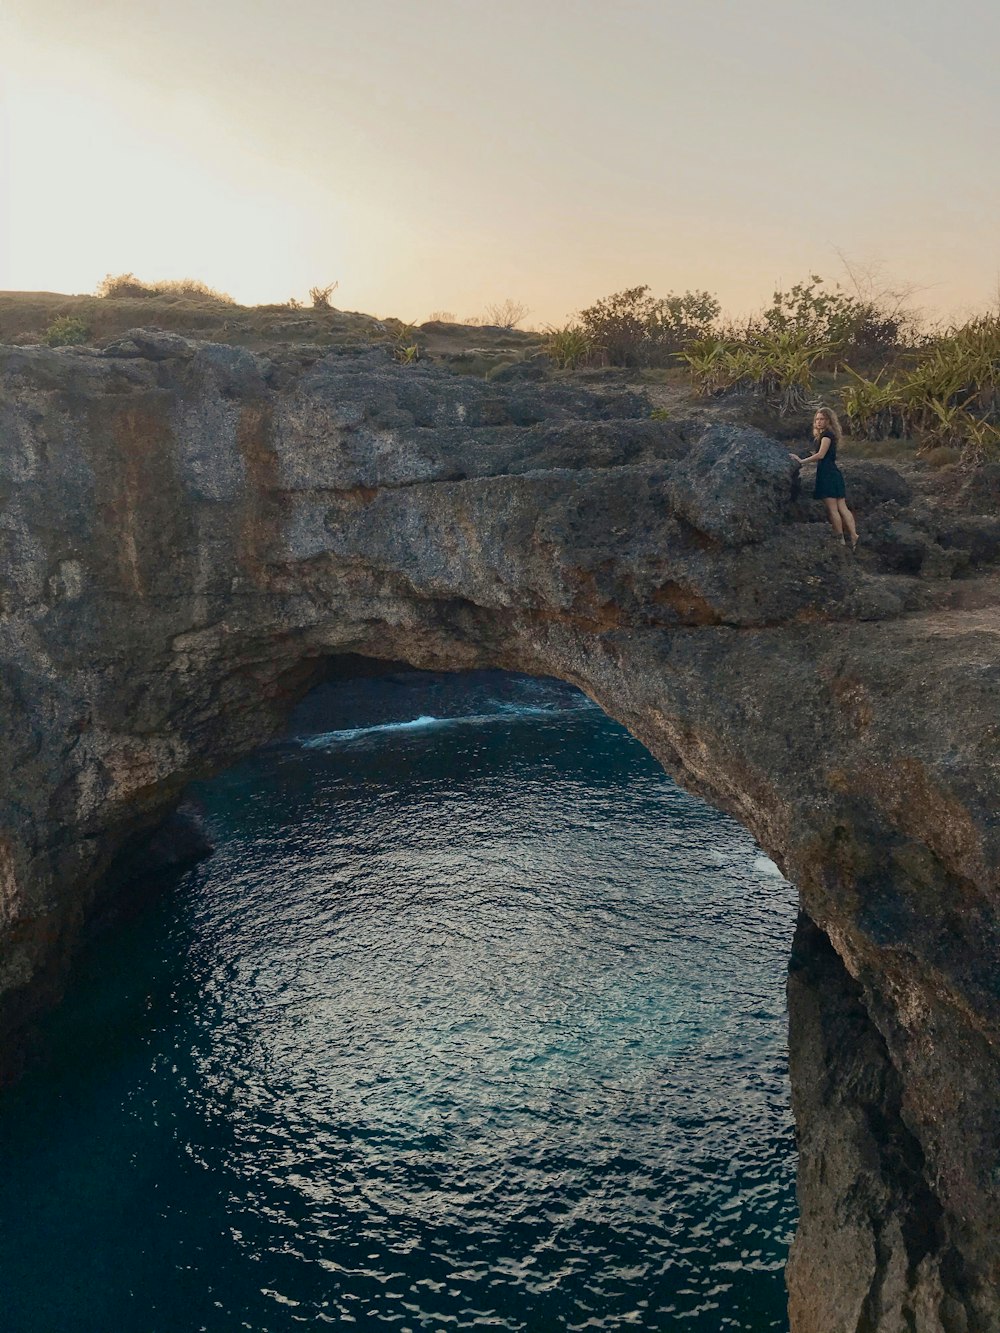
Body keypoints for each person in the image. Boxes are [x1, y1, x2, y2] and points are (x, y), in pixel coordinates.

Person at [791, 407, 859, 550]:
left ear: (828, 421)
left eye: (822, 419)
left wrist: (801, 461)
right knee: (841, 507)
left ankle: (840, 539)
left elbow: (821, 455)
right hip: (832, 473)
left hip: (827, 474)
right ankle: (853, 535)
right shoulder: (828, 435)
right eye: (817, 419)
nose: (819, 422)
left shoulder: (827, 436)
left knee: (833, 509)